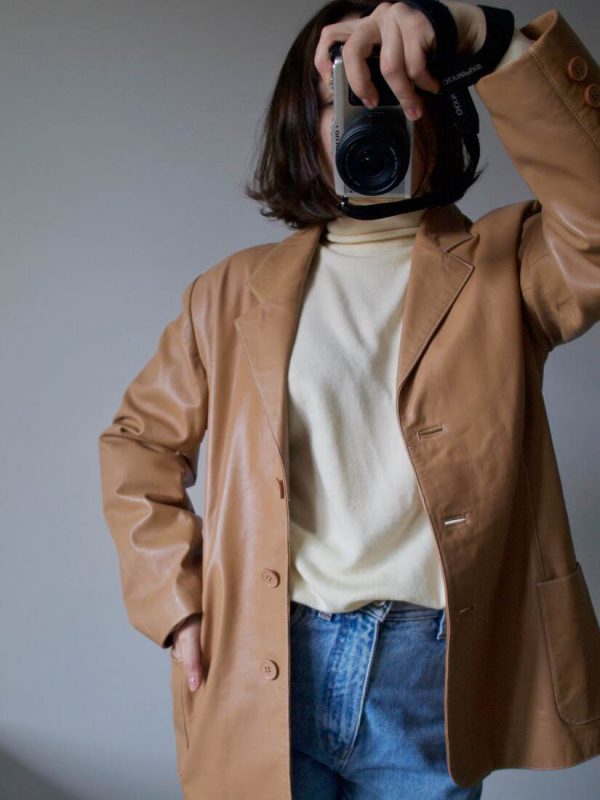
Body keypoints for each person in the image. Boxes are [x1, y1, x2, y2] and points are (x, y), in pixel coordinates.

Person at [98, 2, 600, 799]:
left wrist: (486, 37)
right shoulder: (229, 293)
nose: (368, 117)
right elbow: (138, 441)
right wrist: (175, 601)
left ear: (439, 114)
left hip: (429, 676)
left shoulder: (512, 269)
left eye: (396, 92)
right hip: (263, 660)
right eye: (341, 97)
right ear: (302, 125)